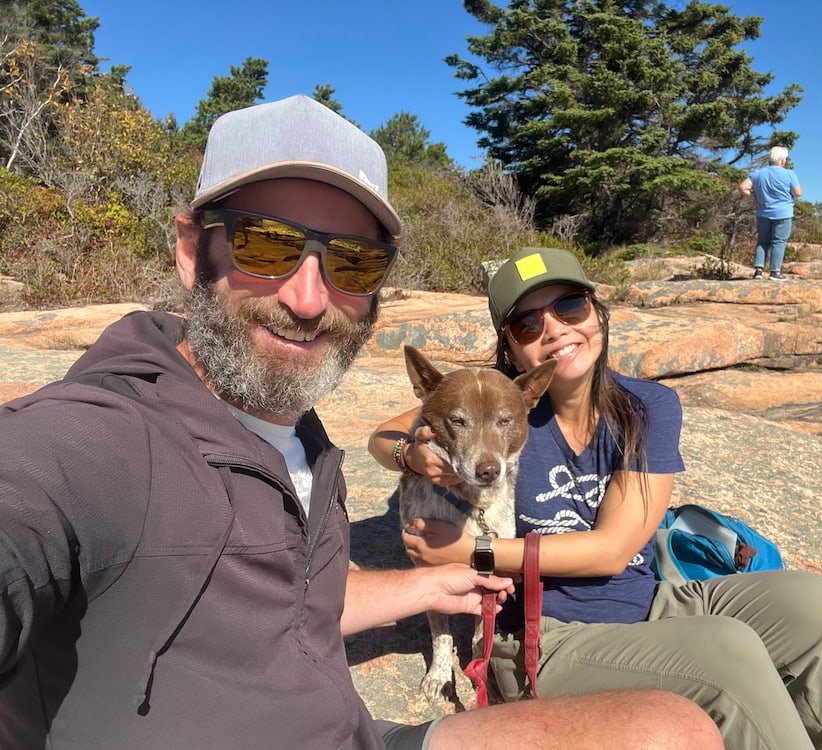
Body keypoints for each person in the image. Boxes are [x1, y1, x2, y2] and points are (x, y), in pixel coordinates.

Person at [0, 94, 723, 750]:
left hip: (360, 732)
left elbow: (274, 597)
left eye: (353, 261)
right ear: (193, 251)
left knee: (677, 732)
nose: (310, 297)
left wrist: (424, 585)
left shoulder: (308, 447)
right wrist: (414, 456)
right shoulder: (92, 438)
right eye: (266, 245)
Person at [369, 246, 822, 749]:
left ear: (598, 312)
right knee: (730, 657)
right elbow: (388, 436)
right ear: (511, 346)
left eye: (570, 305)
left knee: (816, 606)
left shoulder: (647, 406)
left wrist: (473, 553)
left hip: (649, 602)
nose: (554, 328)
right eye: (528, 323)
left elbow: (613, 550)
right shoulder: (500, 403)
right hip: (548, 632)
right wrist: (413, 456)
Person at [739, 145, 803, 281]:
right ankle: (775, 272)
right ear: (782, 161)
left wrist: (754, 198)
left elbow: (743, 187)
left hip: (763, 212)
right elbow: (797, 193)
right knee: (779, 242)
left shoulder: (758, 174)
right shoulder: (790, 174)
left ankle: (758, 271)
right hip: (783, 213)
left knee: (762, 241)